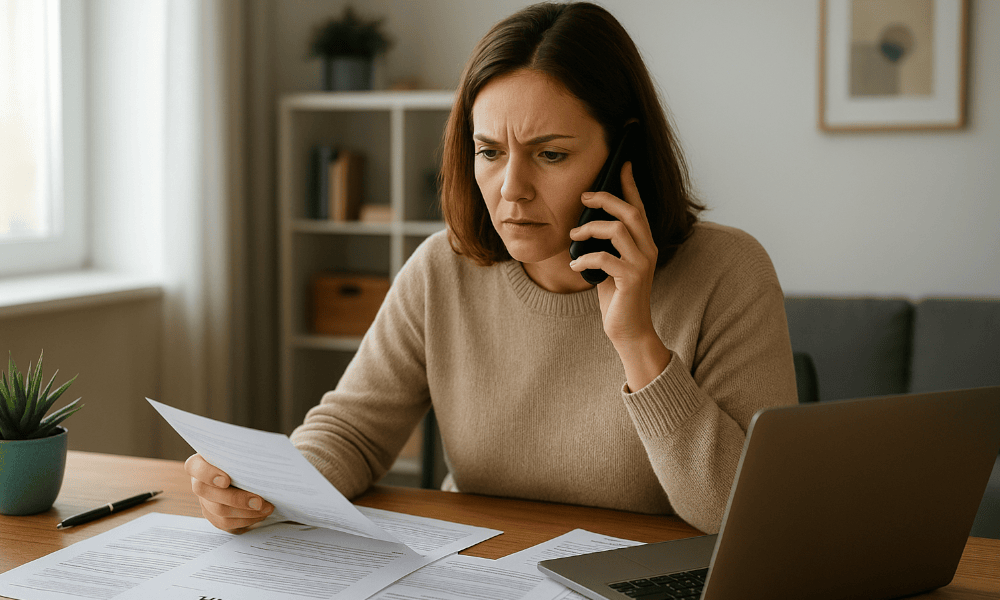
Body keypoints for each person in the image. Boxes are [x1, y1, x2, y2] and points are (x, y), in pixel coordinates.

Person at [185, 1, 797, 536]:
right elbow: (353, 432)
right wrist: (265, 488)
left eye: (550, 155)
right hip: (482, 573)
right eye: (489, 152)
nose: (511, 189)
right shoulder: (441, 269)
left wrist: (638, 342)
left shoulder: (728, 272)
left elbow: (744, 517)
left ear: (625, 154)